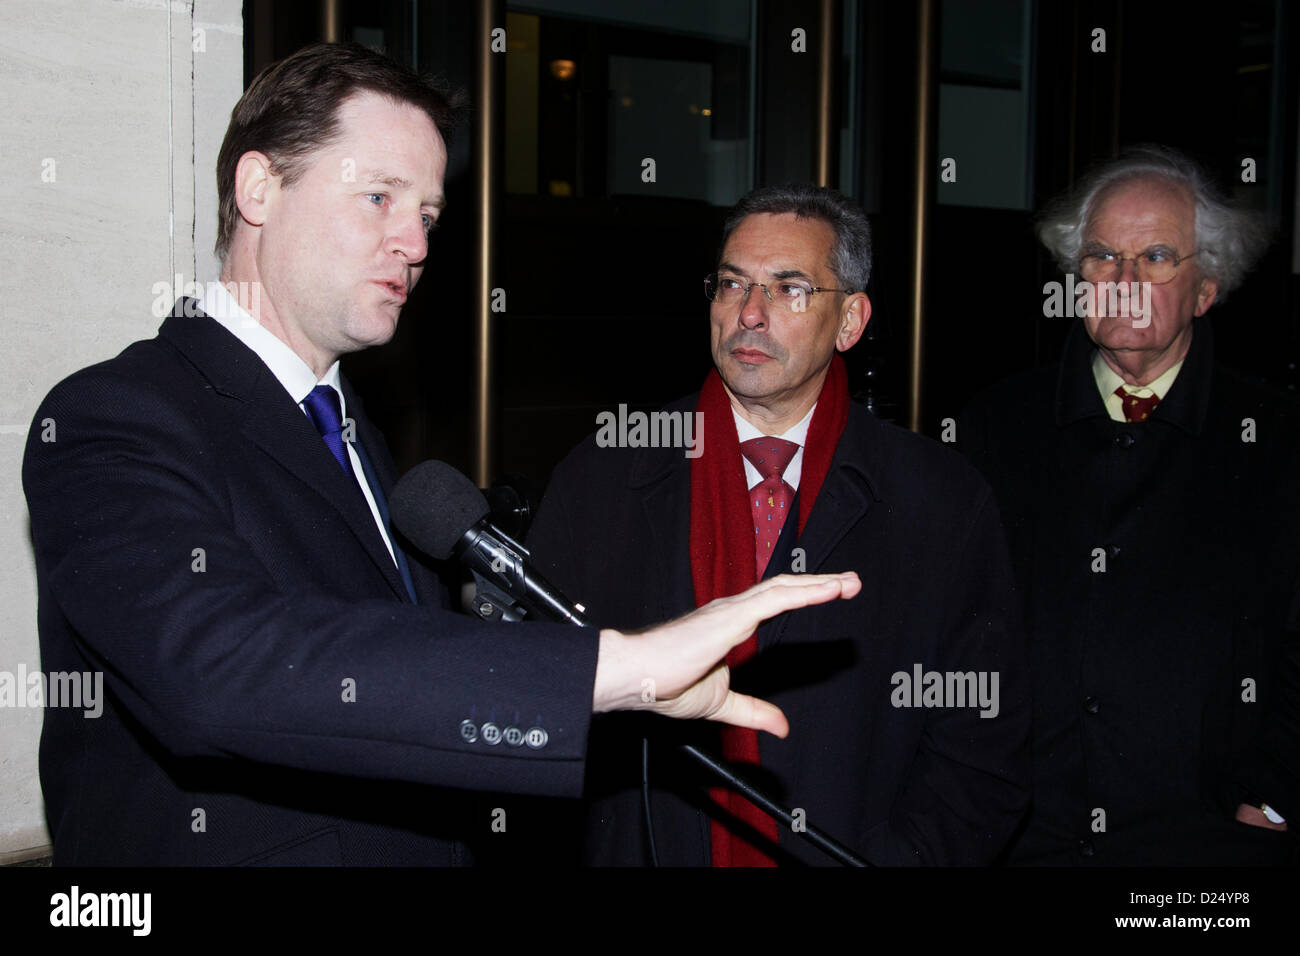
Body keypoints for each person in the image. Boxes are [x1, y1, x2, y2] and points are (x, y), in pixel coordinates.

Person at [21, 42, 861, 866]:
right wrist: (616, 666)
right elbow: (216, 673)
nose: (416, 245)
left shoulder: (360, 437)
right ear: (259, 188)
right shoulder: (114, 416)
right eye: (379, 197)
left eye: (425, 214)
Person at [526, 184, 1031, 865]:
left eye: (790, 289)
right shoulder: (605, 476)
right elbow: (534, 703)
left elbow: (982, 748)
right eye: (733, 284)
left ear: (850, 321)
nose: (751, 314)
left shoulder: (940, 501)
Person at [959, 145, 1300, 864]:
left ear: (1206, 288)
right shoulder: (996, 425)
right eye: (1103, 257)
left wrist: (1274, 796)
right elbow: (956, 621)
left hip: (1206, 841)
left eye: (1156, 257)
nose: (1124, 281)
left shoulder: (1276, 438)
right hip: (1026, 835)